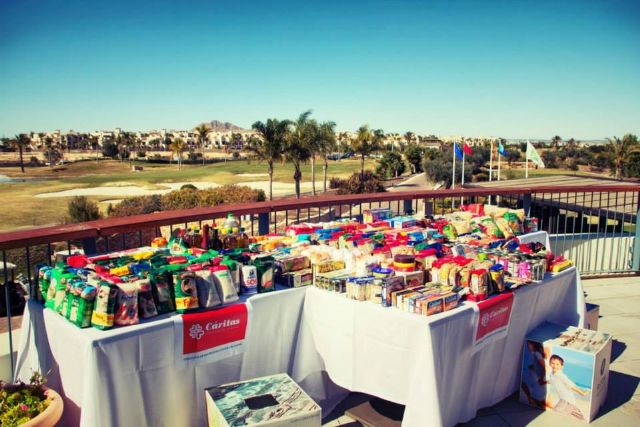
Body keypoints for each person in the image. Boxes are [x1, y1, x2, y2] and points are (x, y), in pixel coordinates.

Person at [546, 355, 589, 420]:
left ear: (562, 366)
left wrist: (582, 393)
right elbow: (552, 380)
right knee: (581, 419)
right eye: (553, 363)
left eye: (557, 364)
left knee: (555, 414)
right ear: (549, 364)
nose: (555, 366)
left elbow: (570, 384)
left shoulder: (560, 375)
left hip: (566, 401)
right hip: (569, 401)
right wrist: (544, 382)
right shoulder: (552, 374)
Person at [521, 341, 547, 408]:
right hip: (533, 375)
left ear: (534, 345)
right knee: (524, 384)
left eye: (530, 345)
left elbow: (544, 367)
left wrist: (541, 378)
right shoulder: (533, 353)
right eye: (528, 344)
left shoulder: (537, 353)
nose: (528, 346)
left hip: (537, 376)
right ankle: (531, 400)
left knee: (538, 396)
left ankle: (532, 400)